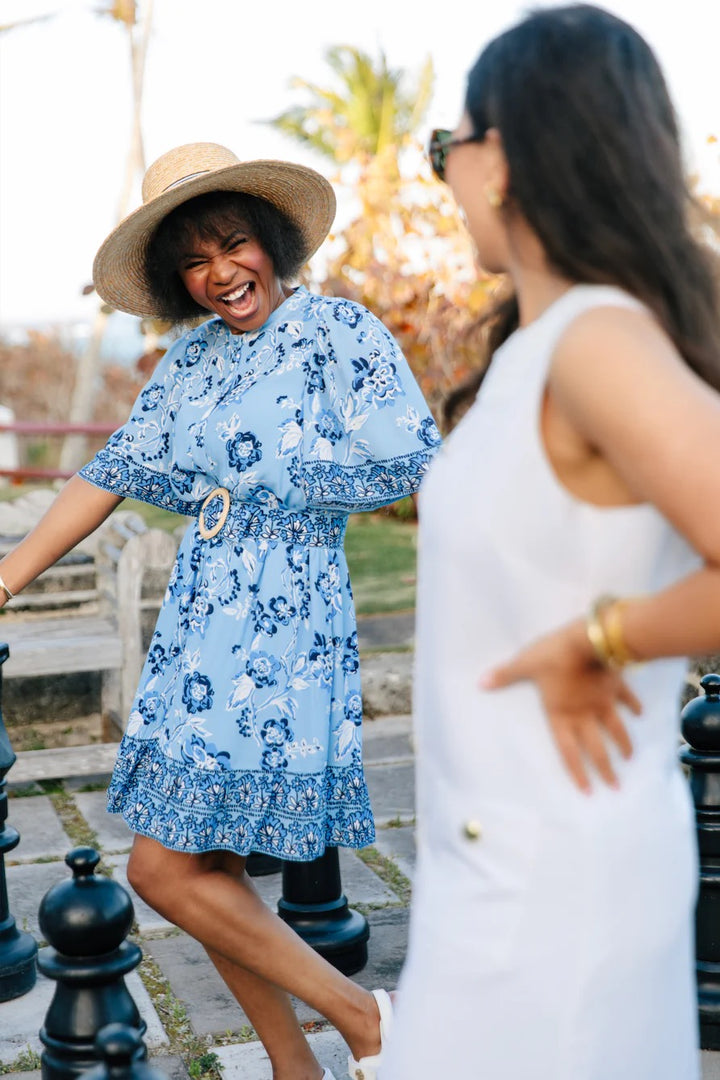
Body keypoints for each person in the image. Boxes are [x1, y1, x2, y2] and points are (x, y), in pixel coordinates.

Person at [0, 142, 441, 1080]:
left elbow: (410, 454)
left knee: (160, 872)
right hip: (201, 623)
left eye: (233, 246)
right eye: (194, 263)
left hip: (285, 622)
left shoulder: (343, 334)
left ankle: (366, 1021)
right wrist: (4, 579)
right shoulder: (188, 361)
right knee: (209, 873)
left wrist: (290, 487)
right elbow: (109, 473)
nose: (219, 275)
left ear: (271, 242)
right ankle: (295, 1067)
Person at [379, 6, 720, 1079]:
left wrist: (601, 636)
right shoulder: (543, 346)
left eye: (451, 146)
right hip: (494, 869)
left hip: (555, 900)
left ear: (507, 156)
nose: (443, 175)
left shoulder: (598, 340)